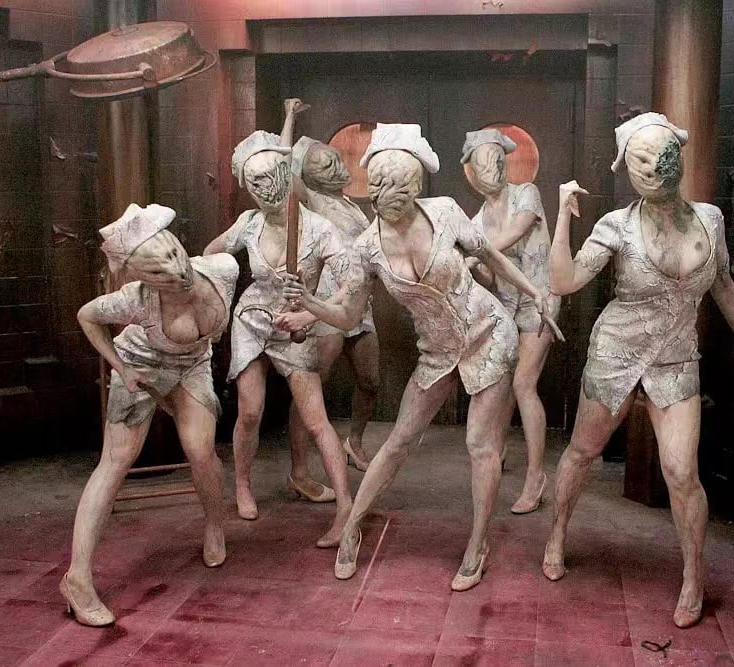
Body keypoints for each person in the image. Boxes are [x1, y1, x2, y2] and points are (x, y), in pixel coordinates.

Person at [279, 123, 561, 591]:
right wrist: (309, 303)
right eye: (384, 184)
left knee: (480, 444)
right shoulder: (367, 247)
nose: (393, 194)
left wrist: (535, 294)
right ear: (373, 188)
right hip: (436, 349)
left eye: (403, 184)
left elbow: (490, 255)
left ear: (415, 185)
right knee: (399, 439)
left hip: (489, 334)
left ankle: (477, 545)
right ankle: (352, 527)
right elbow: (347, 312)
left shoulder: (446, 212)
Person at [544, 113, 734, 628]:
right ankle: (556, 533)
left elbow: (722, 283)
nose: (653, 167)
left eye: (662, 155)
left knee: (682, 472)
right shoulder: (616, 225)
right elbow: (564, 282)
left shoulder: (710, 219)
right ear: (626, 170)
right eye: (640, 160)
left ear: (678, 160)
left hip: (676, 357)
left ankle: (693, 575)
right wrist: (562, 217)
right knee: (583, 451)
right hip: (616, 352)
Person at [63, 203, 238, 626]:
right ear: (143, 278)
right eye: (158, 273)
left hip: (191, 365)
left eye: (174, 255)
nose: (176, 272)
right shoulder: (135, 300)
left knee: (200, 450)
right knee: (116, 461)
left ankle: (215, 526)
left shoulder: (224, 269)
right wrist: (121, 369)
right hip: (140, 364)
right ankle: (77, 579)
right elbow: (87, 315)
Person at [203, 99, 351, 546]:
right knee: (250, 410)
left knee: (316, 419)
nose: (267, 189)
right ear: (246, 186)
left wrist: (311, 310)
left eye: (274, 177)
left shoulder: (319, 230)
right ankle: (242, 485)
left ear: (288, 176)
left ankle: (346, 507)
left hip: (295, 329)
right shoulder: (248, 224)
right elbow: (210, 255)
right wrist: (218, 294)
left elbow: (352, 284)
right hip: (252, 321)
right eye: (256, 181)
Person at [462, 128, 561, 514]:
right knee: (501, 383)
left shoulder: (526, 194)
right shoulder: (475, 221)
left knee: (524, 383)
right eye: (484, 164)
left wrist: (474, 252)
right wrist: (475, 267)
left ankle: (536, 476)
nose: (493, 169)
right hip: (505, 308)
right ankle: (497, 450)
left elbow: (517, 231)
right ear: (471, 174)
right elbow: (490, 276)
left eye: (498, 160)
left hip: (540, 300)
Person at [289, 128, 380, 472]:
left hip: (358, 301)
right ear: (308, 177)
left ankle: (353, 442)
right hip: (326, 301)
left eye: (336, 160)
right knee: (311, 385)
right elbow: (286, 171)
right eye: (325, 166)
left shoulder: (350, 204)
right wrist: (289, 120)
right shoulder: (310, 200)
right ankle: (300, 465)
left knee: (370, 380)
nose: (338, 168)